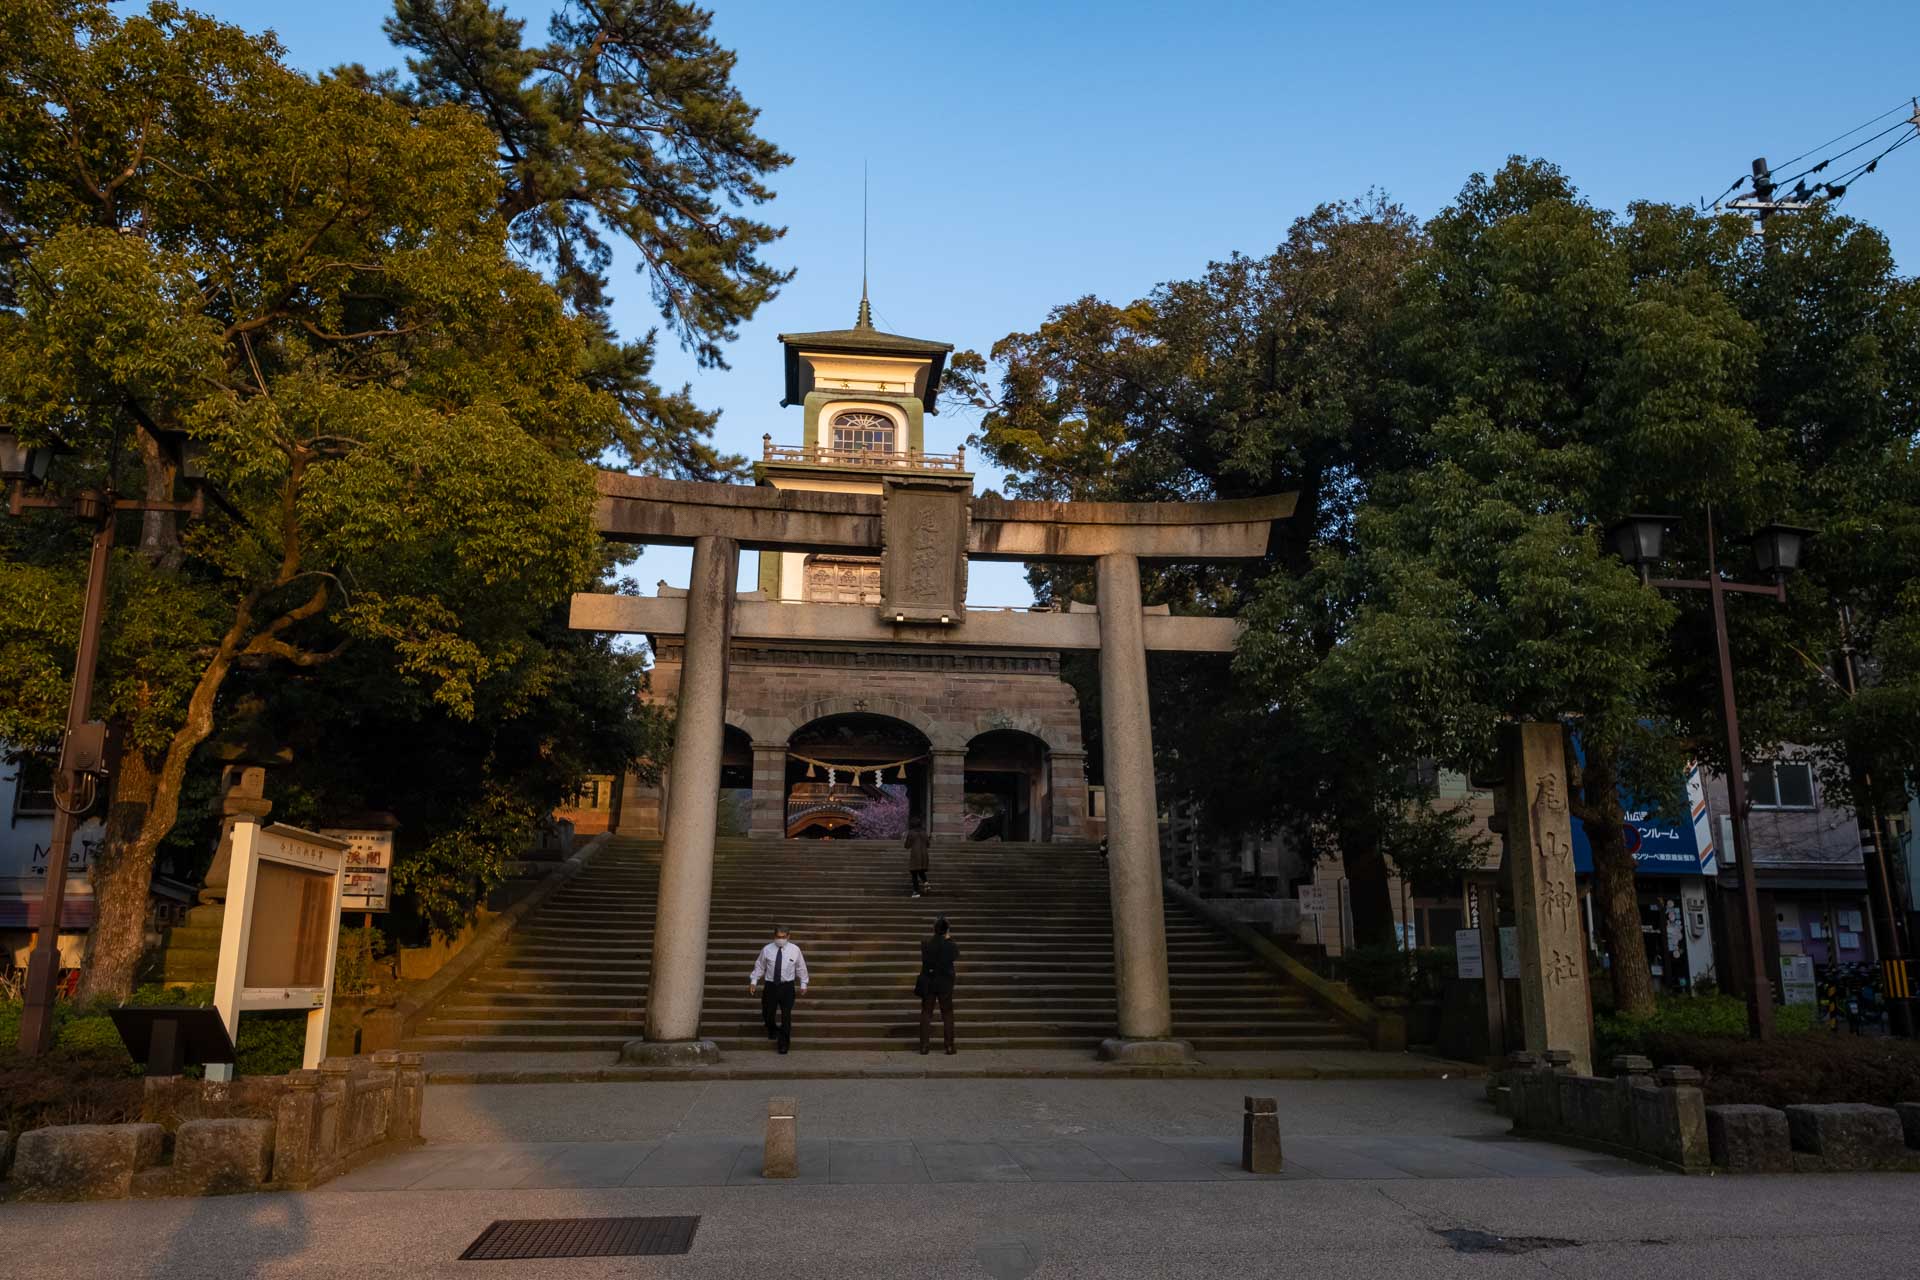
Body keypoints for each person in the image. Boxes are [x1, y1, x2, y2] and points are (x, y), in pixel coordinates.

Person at [750, 925, 809, 1054]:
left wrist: (803, 983)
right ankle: (772, 1029)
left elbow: (801, 967)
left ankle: (783, 1044)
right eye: (778, 937)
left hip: (787, 987)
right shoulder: (767, 949)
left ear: (788, 936)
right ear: (774, 936)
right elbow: (760, 966)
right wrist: (754, 981)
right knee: (767, 1013)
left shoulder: (795, 950)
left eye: (783, 937)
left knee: (786, 1016)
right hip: (771, 985)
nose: (780, 939)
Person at [917, 915, 959, 1055]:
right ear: (947, 930)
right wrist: (948, 938)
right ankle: (949, 1046)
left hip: (929, 981)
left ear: (934, 929)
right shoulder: (951, 945)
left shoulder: (926, 944)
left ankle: (924, 1046)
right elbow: (955, 956)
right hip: (945, 982)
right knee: (947, 1013)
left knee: (926, 1012)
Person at [904, 821, 931, 897]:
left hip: (916, 855)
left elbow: (907, 845)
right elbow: (928, 844)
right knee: (921, 870)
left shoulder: (911, 833)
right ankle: (926, 882)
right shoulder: (924, 833)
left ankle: (916, 892)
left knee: (914, 873)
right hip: (924, 855)